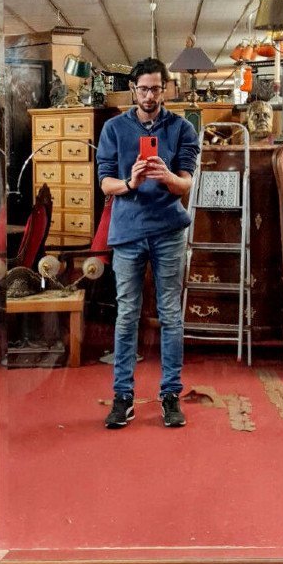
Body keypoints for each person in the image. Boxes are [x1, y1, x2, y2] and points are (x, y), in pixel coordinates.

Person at [95, 58, 200, 429]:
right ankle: (123, 397)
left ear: (165, 89)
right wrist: (131, 183)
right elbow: (105, 182)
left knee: (170, 313)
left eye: (156, 88)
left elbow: (187, 183)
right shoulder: (113, 129)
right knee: (127, 315)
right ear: (133, 90)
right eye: (143, 89)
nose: (150, 95)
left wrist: (168, 175)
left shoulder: (183, 128)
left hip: (169, 230)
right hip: (127, 231)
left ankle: (170, 395)